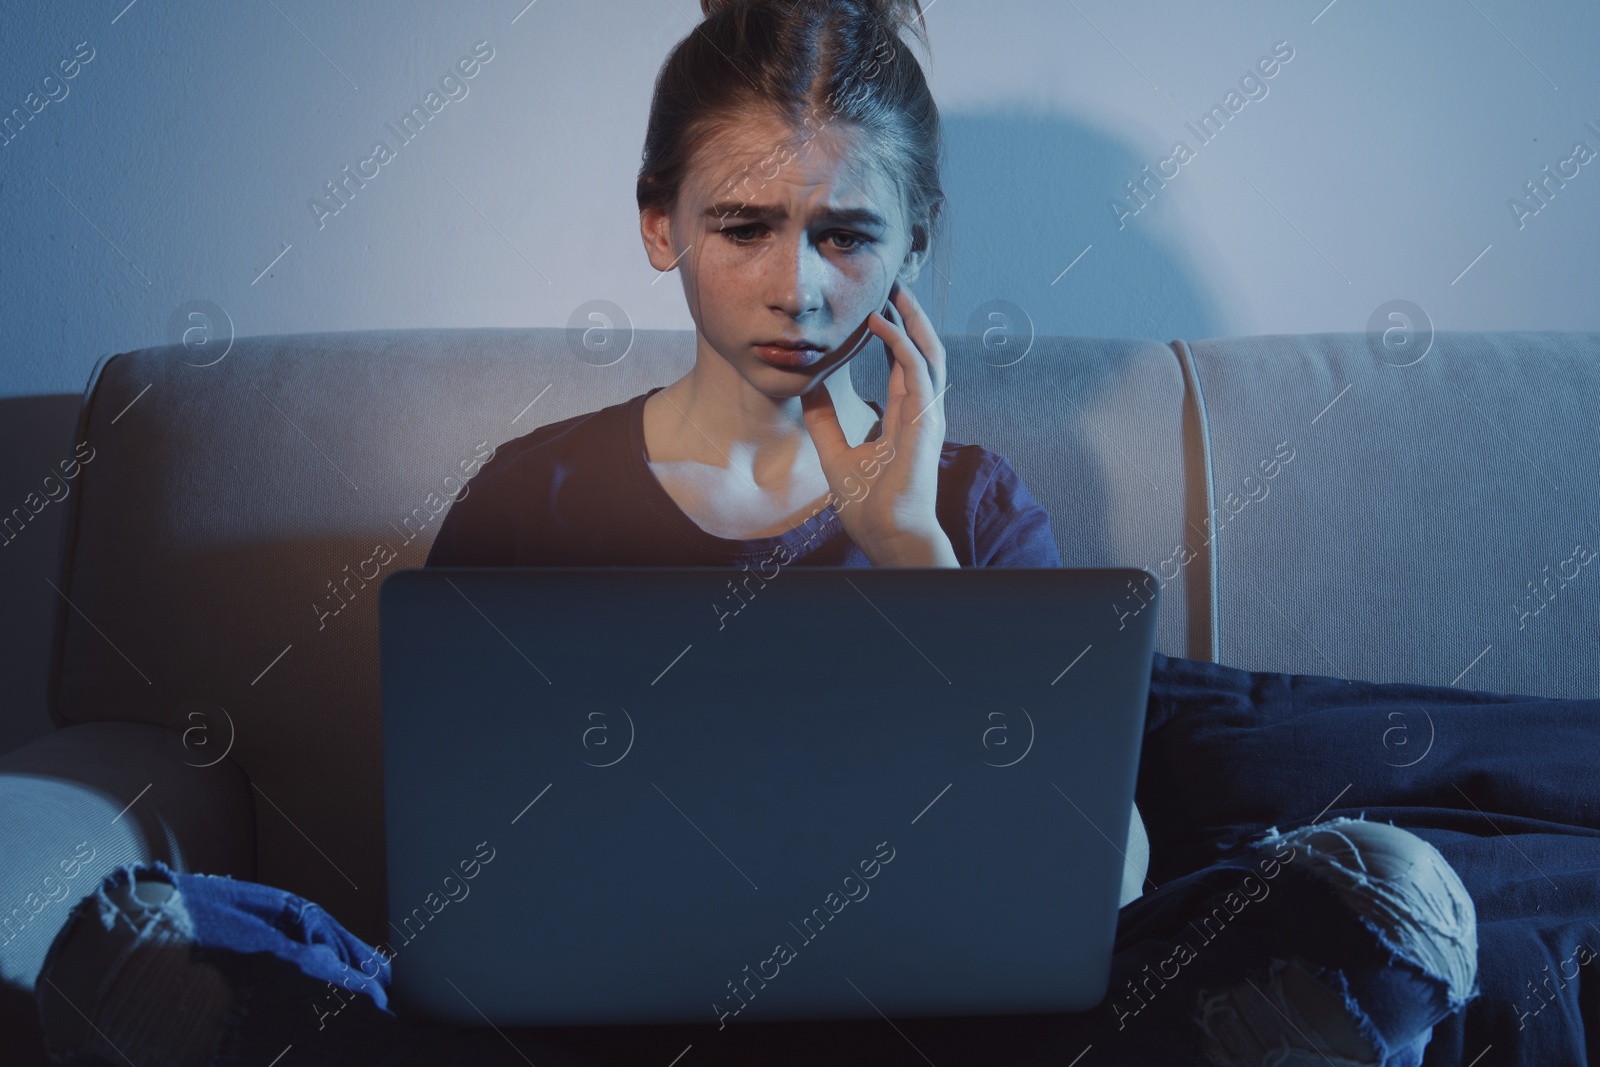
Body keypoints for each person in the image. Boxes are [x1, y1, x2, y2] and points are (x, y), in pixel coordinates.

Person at [33, 2, 1480, 1065]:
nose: (798, 288)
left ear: (916, 242)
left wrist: (913, 560)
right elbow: (453, 878)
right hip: (582, 1043)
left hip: (940, 1039)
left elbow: (1101, 889)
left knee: (1346, 914)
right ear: (660, 223)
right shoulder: (527, 501)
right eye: (744, 227)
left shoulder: (975, 511)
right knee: (183, 942)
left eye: (848, 233)